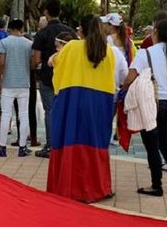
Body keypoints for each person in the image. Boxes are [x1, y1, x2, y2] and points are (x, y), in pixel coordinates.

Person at [47, 14, 117, 203]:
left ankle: (70, 186)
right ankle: (98, 187)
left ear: (81, 31)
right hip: (100, 103)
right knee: (95, 143)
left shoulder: (71, 47)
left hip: (73, 101)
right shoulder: (108, 51)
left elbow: (54, 63)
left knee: (70, 140)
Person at [121, 19, 167, 196]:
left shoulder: (145, 53)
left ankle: (156, 185)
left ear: (155, 32)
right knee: (165, 141)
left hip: (150, 102)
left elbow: (130, 77)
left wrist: (123, 89)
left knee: (151, 144)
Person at [31, 0, 71, 158]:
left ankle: (51, 146)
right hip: (68, 78)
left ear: (46, 13)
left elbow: (36, 59)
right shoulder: (70, 32)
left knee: (50, 111)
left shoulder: (42, 33)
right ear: (60, 12)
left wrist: (36, 69)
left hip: (48, 78)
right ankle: (65, 145)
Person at [0, 19, 33, 157]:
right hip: (24, 83)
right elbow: (32, 62)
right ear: (22, 29)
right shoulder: (29, 44)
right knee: (23, 115)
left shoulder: (4, 42)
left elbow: (1, 62)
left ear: (9, 28)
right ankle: (22, 147)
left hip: (8, 83)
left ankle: (2, 146)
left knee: (6, 114)